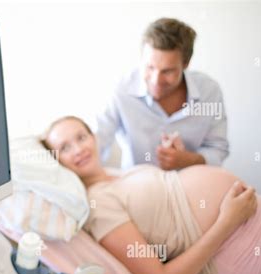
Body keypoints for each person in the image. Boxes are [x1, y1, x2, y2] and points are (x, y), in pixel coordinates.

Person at [42, 116, 261, 274]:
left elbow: (162, 207)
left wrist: (176, 156)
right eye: (64, 148)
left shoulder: (118, 174)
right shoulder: (97, 205)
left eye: (81, 137)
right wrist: (228, 222)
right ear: (56, 162)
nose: (78, 149)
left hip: (258, 210)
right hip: (239, 242)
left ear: (94, 137)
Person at [95, 18, 229, 170]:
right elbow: (97, 140)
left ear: (186, 64)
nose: (156, 80)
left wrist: (189, 160)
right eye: (150, 67)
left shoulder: (209, 91)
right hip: (136, 186)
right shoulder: (121, 89)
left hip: (191, 185)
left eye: (167, 71)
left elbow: (218, 148)